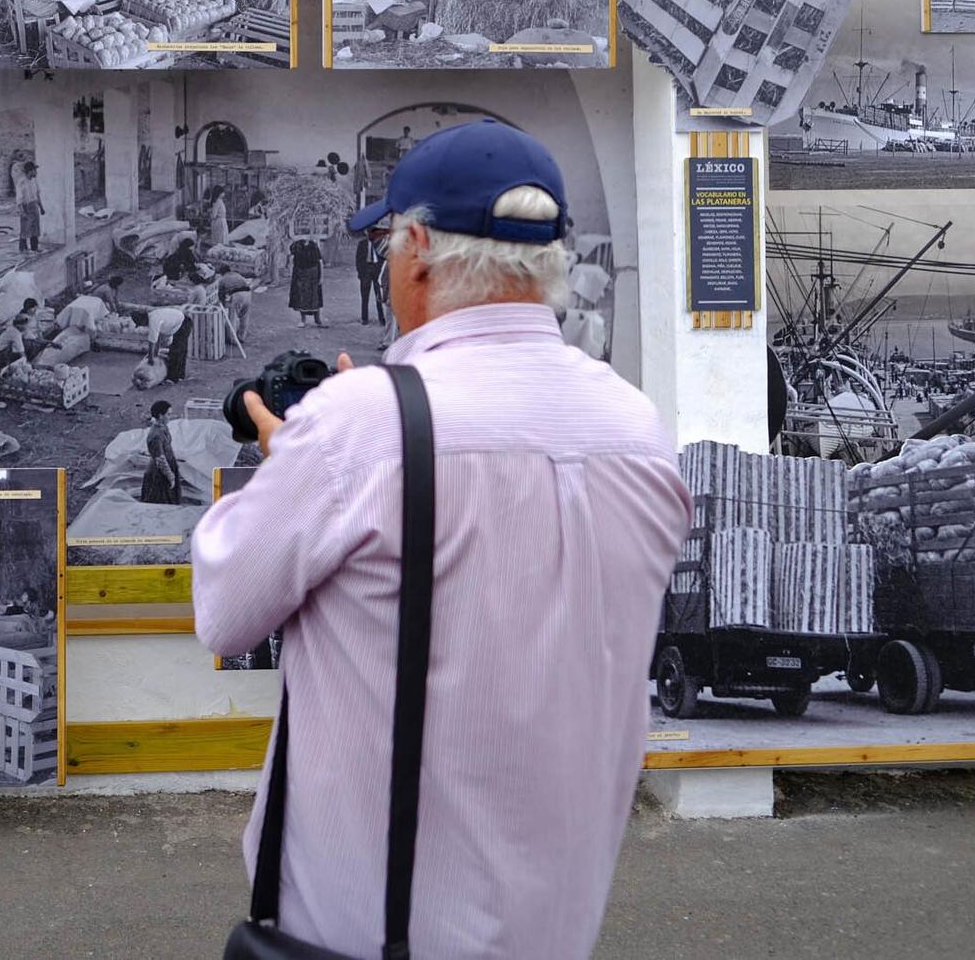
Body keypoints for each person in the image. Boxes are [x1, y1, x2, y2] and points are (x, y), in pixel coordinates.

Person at [191, 120, 690, 958]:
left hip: (370, 940)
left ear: (417, 245)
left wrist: (303, 456)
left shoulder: (361, 426)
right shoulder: (637, 428)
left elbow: (224, 611)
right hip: (555, 932)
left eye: (387, 239)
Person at [138, 400, 182, 504]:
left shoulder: (163, 427)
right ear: (160, 415)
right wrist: (170, 476)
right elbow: (160, 459)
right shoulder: (155, 435)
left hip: (168, 464)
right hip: (159, 473)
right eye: (168, 414)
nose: (170, 417)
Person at [287, 234, 324, 327]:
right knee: (301, 297)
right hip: (300, 273)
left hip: (313, 274)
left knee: (315, 297)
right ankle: (303, 320)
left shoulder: (314, 246)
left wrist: (321, 276)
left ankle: (317, 319)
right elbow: (291, 259)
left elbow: (320, 261)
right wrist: (291, 272)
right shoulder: (296, 246)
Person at [356, 230, 388, 327]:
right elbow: (358, 260)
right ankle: (364, 318)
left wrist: (381, 271)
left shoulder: (379, 244)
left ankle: (381, 318)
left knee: (379, 295)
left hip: (376, 271)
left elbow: (383, 258)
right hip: (366, 271)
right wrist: (360, 273)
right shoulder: (361, 244)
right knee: (365, 296)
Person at [12, 160, 44, 254]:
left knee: (35, 228)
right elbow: (19, 199)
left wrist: (41, 207)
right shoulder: (21, 182)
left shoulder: (34, 181)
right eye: (35, 170)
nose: (36, 172)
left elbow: (37, 195)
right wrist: (22, 211)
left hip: (34, 205)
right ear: (30, 171)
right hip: (25, 206)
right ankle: (23, 249)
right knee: (25, 228)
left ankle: (34, 247)